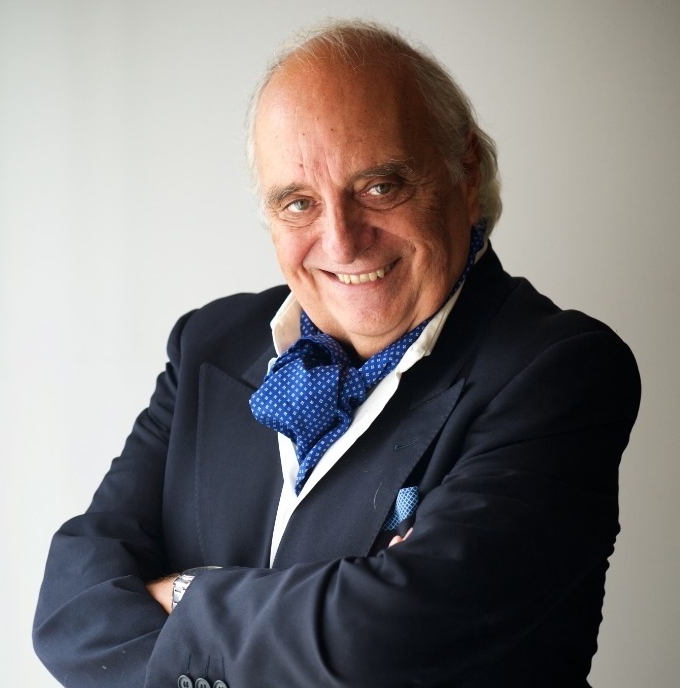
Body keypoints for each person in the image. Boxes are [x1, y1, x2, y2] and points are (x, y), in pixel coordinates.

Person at [33, 19, 641, 688]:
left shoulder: (559, 371)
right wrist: (342, 596)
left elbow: (387, 640)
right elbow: (68, 609)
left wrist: (184, 592)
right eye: (299, 203)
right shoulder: (209, 344)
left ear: (465, 171)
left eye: (380, 188)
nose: (343, 242)